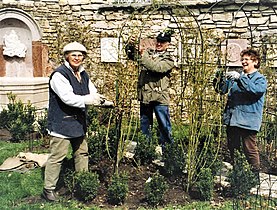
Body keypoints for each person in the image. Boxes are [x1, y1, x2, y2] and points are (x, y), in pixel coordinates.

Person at [42, 41, 113, 202]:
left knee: (82, 153)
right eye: (73, 55)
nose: (77, 58)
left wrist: (103, 101)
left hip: (78, 123)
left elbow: (92, 91)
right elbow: (68, 98)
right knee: (57, 156)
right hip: (62, 123)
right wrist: (91, 100)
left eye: (80, 55)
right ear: (66, 56)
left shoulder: (83, 74)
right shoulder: (59, 75)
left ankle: (83, 184)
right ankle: (48, 189)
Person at [213, 48, 267, 172]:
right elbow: (222, 90)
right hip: (233, 119)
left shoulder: (260, 79)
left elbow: (255, 91)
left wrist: (240, 79)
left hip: (248, 120)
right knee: (234, 148)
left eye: (246, 59)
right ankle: (238, 175)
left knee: (250, 149)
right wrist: (219, 78)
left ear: (255, 61)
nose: (243, 62)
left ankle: (254, 177)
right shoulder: (237, 77)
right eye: (242, 59)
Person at [127, 31, 175, 149]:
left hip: (159, 97)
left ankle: (169, 153)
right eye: (158, 41)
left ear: (168, 44)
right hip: (146, 96)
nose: (159, 44)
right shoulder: (149, 53)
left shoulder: (169, 59)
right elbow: (133, 56)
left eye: (162, 42)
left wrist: (143, 54)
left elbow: (156, 68)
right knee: (145, 125)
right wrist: (131, 46)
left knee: (164, 126)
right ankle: (145, 151)